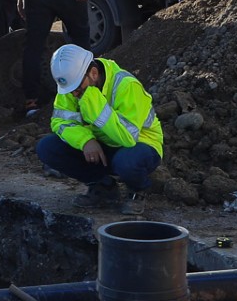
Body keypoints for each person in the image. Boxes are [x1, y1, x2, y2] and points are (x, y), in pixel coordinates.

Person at [35, 43, 164, 212]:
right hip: (101, 145)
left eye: (77, 89)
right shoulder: (73, 85)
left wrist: (94, 104)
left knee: (127, 162)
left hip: (140, 146)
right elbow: (60, 122)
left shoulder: (126, 85)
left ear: (94, 73)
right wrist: (86, 141)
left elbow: (128, 137)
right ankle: (103, 187)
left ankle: (137, 191)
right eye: (71, 90)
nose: (74, 94)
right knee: (47, 148)